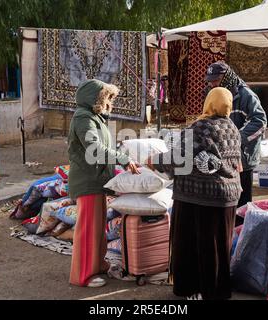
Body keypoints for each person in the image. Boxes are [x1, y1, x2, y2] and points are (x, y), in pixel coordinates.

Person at [147, 87, 242, 300]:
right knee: (218, 245)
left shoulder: (200, 127)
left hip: (198, 195)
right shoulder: (232, 128)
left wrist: (155, 161)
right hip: (227, 196)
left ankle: (193, 288)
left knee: (193, 243)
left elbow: (180, 158)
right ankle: (217, 290)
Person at [68, 79, 139, 287]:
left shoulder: (95, 117)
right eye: (107, 97)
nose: (110, 102)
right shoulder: (83, 118)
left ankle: (97, 265)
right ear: (95, 98)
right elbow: (95, 149)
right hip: (88, 180)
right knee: (88, 229)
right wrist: (123, 159)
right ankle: (82, 275)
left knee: (98, 228)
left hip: (97, 180)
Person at [205, 61, 267, 212]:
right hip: (224, 157)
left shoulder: (246, 96)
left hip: (243, 156)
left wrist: (235, 139)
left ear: (226, 77)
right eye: (210, 81)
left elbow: (260, 121)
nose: (212, 84)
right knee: (227, 197)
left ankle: (242, 232)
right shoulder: (213, 93)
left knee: (242, 201)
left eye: (216, 80)